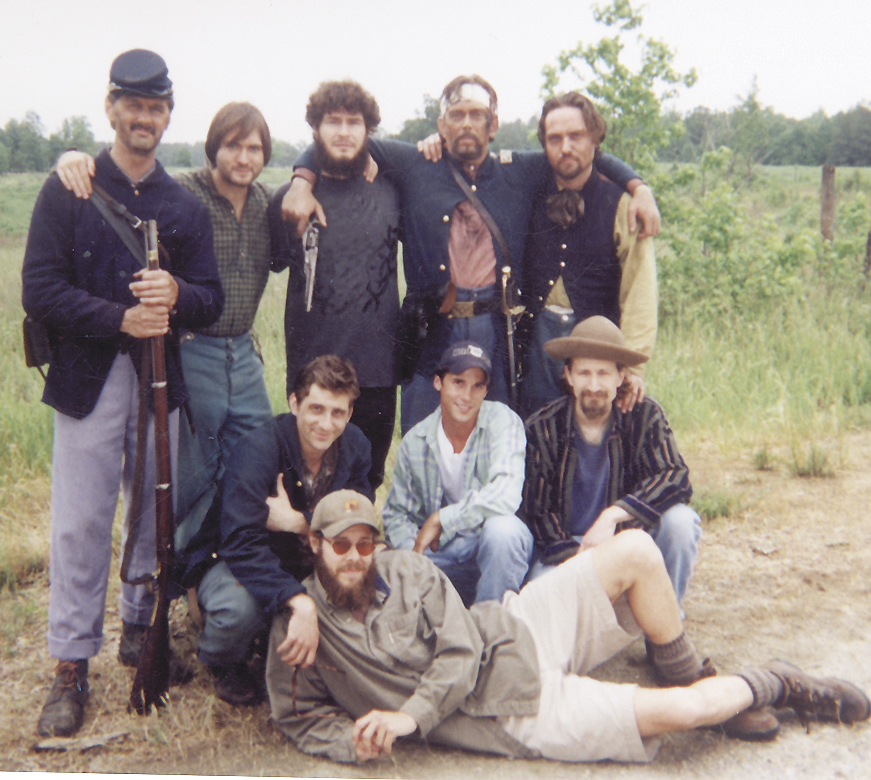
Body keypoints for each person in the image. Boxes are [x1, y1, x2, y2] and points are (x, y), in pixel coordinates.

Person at [265, 490, 870, 764]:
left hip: (513, 631)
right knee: (680, 716)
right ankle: (778, 684)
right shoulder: (301, 627)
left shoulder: (407, 570)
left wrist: (408, 716)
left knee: (636, 550)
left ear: (377, 542)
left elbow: (459, 649)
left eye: (364, 543)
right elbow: (300, 717)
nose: (353, 556)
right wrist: (352, 743)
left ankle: (689, 673)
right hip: (509, 713)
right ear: (315, 544)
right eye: (339, 545)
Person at [21, 49, 223, 737]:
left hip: (160, 378)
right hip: (86, 377)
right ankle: (71, 665)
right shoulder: (69, 188)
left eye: (156, 107)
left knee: (152, 515)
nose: (145, 117)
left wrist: (178, 294)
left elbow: (212, 298)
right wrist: (119, 318)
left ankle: (141, 629)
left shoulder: (182, 205)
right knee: (80, 524)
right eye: (133, 105)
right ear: (111, 108)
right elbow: (39, 290)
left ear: (168, 114)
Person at [282, 75, 661, 432]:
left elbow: (578, 154)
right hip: (430, 328)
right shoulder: (414, 163)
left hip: (493, 327)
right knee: (422, 433)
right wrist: (301, 180)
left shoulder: (520, 171)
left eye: (476, 116)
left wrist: (637, 186)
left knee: (494, 431)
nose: (466, 124)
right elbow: (343, 140)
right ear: (441, 125)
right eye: (456, 115)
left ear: (492, 126)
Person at [56, 101, 278, 553]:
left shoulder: (266, 203)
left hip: (244, 353)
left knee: (256, 457)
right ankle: (177, 575)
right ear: (212, 148)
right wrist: (72, 155)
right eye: (233, 146)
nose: (243, 158)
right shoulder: (183, 193)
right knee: (187, 472)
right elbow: (129, 183)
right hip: (192, 347)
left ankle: (235, 563)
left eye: (254, 148)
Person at [179, 355, 372, 705]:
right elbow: (239, 542)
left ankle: (284, 636)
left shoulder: (355, 446)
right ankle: (220, 658)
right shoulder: (257, 449)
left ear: (349, 413)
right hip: (237, 561)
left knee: (370, 584)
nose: (326, 424)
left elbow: (359, 526)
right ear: (294, 403)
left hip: (306, 558)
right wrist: (298, 599)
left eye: (338, 413)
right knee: (238, 610)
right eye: (316, 409)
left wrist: (300, 522)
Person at [269, 81, 401, 491]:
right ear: (315, 129)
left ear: (368, 131)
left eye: (354, 122)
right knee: (306, 484)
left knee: (365, 485)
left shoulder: (394, 191)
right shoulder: (288, 201)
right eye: (332, 122)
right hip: (312, 372)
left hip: (377, 373)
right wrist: (300, 181)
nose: (343, 132)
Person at [521, 316, 701, 608]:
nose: (594, 385)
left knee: (681, 521)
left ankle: (664, 632)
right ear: (568, 375)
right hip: (567, 549)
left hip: (627, 544)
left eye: (603, 374)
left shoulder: (644, 416)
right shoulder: (542, 428)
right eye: (584, 373)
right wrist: (579, 558)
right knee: (541, 604)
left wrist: (614, 515)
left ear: (621, 376)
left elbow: (675, 476)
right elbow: (537, 511)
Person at [519, 92, 658, 418]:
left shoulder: (623, 204)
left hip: (599, 346)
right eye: (555, 138)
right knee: (538, 436)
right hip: (536, 344)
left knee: (596, 439)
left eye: (576, 136)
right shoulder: (525, 188)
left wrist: (634, 365)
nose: (565, 147)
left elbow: (640, 290)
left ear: (594, 139)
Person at [381, 341, 532, 605]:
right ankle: (444, 625)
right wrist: (413, 554)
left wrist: (442, 519)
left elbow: (507, 494)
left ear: (486, 390)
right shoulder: (415, 441)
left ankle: (492, 629)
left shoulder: (503, 422)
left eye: (478, 386)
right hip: (443, 552)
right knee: (386, 564)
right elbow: (397, 514)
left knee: (504, 530)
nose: (467, 396)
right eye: (459, 382)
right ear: (438, 383)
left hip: (490, 547)